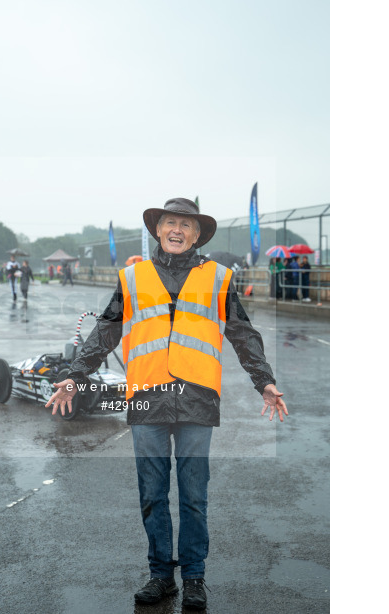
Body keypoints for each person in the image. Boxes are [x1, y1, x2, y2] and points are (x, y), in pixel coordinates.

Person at [45, 197, 288, 610]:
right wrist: (74, 375)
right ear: (158, 229)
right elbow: (106, 332)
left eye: (186, 225)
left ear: (197, 234)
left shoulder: (219, 278)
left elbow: (243, 334)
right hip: (145, 397)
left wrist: (264, 381)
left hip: (197, 397)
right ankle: (161, 576)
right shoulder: (133, 277)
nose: (177, 230)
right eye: (170, 223)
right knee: (152, 492)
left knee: (194, 494)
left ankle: (194, 577)